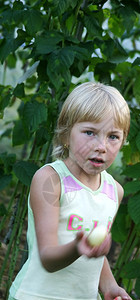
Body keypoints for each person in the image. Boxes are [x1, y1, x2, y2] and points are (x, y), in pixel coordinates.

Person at [9, 82, 131, 300]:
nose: (101, 146)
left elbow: (94, 251)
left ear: (123, 141)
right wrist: (77, 247)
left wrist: (109, 286)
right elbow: (47, 258)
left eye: (113, 136)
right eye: (89, 132)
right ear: (66, 134)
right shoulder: (51, 180)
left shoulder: (114, 191)